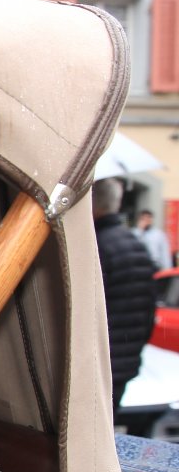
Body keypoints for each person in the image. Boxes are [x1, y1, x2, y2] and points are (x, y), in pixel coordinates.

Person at [93, 179, 158, 418]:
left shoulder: (96, 245)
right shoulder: (135, 244)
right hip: (124, 361)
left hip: (98, 363)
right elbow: (149, 308)